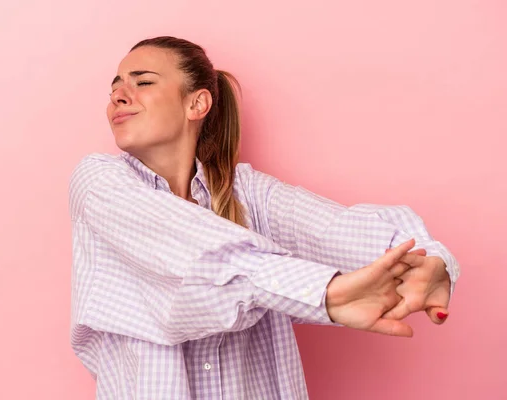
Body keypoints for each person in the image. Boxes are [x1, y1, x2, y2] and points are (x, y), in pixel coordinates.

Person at [68, 36, 459, 400]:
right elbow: (193, 253)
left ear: (197, 104)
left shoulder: (248, 192)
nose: (118, 95)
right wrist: (323, 294)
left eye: (143, 82)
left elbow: (340, 229)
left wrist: (432, 263)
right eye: (114, 87)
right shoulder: (99, 182)